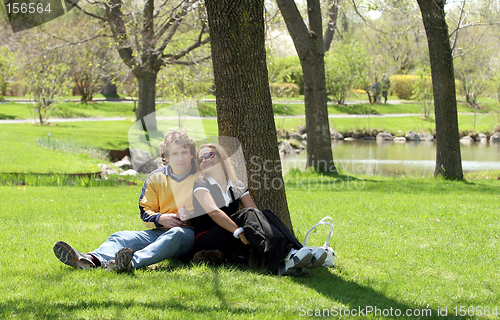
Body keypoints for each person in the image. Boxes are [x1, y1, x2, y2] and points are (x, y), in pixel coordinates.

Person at [53, 130, 197, 272]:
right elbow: (145, 211)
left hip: (187, 234)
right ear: (166, 157)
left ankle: (128, 263)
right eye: (175, 154)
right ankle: (91, 260)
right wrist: (160, 218)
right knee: (121, 236)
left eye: (184, 153)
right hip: (160, 230)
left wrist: (190, 218)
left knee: (176, 234)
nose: (180, 158)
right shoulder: (156, 178)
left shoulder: (200, 177)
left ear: (191, 154)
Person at [190, 143, 327, 276]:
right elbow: (214, 212)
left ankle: (300, 251)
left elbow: (255, 212)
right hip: (208, 236)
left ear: (221, 157)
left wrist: (253, 227)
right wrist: (239, 232)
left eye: (209, 155)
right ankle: (285, 256)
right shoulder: (200, 184)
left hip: (229, 232)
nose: (204, 160)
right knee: (247, 214)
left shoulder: (236, 184)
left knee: (265, 214)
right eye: (200, 159)